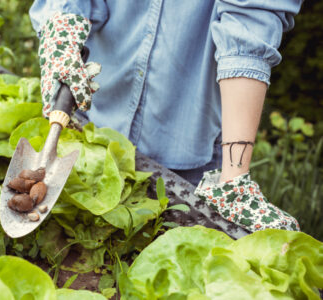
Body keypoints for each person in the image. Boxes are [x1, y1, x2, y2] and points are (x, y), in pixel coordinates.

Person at [29, 0, 302, 233]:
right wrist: (61, 31)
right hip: (93, 123)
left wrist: (233, 178)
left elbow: (251, 22)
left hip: (190, 146)